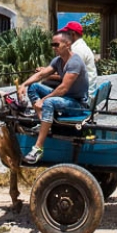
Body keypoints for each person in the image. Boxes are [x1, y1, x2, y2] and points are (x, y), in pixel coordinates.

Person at [17, 32, 89, 165]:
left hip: (77, 104)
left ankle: (38, 148)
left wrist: (42, 101)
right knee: (34, 87)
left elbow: (63, 89)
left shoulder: (75, 62)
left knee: (49, 101)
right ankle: (44, 122)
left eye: (56, 44)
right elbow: (41, 74)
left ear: (67, 44)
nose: (53, 47)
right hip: (67, 99)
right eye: (52, 45)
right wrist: (24, 84)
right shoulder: (58, 61)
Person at [58, 21, 98, 100]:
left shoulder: (77, 50)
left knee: (40, 87)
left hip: (83, 96)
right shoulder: (82, 46)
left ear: (72, 34)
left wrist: (46, 74)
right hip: (87, 91)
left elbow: (69, 75)